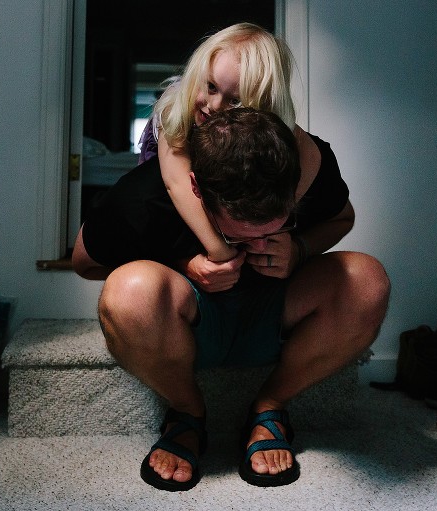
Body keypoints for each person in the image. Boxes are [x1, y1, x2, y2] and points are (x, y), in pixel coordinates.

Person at [72, 108, 390, 491]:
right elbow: (84, 263)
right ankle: (187, 413)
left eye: (273, 229)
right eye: (241, 236)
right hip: (189, 322)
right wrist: (184, 263)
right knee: (129, 290)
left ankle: (269, 407)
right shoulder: (145, 193)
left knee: (367, 279)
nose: (257, 246)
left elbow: (342, 218)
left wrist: (299, 249)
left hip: (275, 311)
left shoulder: (304, 165)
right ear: (196, 189)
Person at [138, 22, 323, 268]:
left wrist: (272, 222)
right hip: (169, 209)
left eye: (235, 101)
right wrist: (220, 250)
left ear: (261, 105)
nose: (214, 105)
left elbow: (311, 155)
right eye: (211, 86)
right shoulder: (177, 108)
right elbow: (176, 182)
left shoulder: (269, 126)